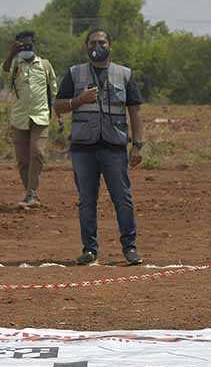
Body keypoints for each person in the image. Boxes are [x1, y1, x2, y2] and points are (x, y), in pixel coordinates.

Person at [52, 29, 145, 266]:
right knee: (87, 200)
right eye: (93, 42)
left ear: (110, 45)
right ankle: (90, 249)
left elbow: (135, 111)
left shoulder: (124, 74)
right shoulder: (75, 73)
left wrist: (137, 146)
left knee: (122, 198)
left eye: (102, 42)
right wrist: (78, 100)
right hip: (84, 147)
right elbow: (59, 106)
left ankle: (130, 248)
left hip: (114, 146)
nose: (97, 46)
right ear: (86, 46)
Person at [1, 30, 57, 207]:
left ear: (34, 44)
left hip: (40, 117)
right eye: (22, 45)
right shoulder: (14, 65)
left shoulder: (45, 65)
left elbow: (53, 89)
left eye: (29, 44)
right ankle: (30, 193)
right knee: (23, 160)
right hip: (19, 118)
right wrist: (11, 54)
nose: (26, 47)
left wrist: (58, 112)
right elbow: (3, 74)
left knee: (37, 152)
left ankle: (32, 192)